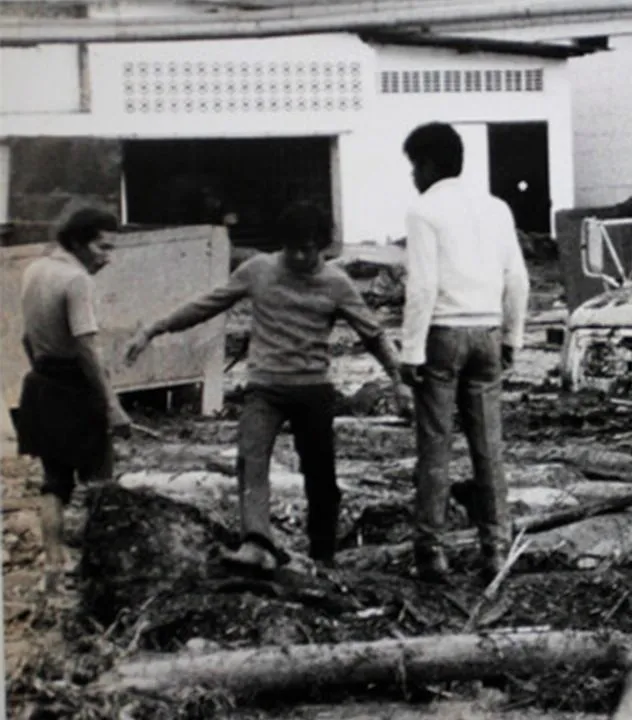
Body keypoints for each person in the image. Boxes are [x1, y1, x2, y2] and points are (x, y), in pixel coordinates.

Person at [125, 202, 411, 572]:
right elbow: (207, 304)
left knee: (320, 475)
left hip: (313, 390)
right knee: (251, 458)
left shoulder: (338, 284)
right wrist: (154, 328)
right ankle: (256, 543)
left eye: (308, 248)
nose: (300, 255)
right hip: (265, 389)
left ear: (323, 246)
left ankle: (323, 555)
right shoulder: (258, 270)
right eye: (292, 247)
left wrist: (398, 380)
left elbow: (373, 335)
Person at [399, 122, 530, 584]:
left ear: (429, 164)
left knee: (435, 445)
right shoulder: (495, 208)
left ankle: (430, 552)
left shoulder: (424, 211)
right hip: (487, 331)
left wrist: (410, 350)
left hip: (443, 335)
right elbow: (517, 279)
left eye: (414, 166)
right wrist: (513, 336)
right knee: (488, 448)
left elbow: (423, 286)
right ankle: (495, 548)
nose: (413, 176)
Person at [14, 207, 133, 593]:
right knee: (101, 481)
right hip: (76, 386)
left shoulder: (35, 270)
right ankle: (100, 571)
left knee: (54, 481)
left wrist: (42, 374)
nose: (106, 256)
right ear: (79, 242)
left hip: (41, 381)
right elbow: (87, 349)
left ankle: (53, 564)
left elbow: (27, 339)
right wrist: (112, 405)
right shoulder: (76, 280)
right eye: (102, 246)